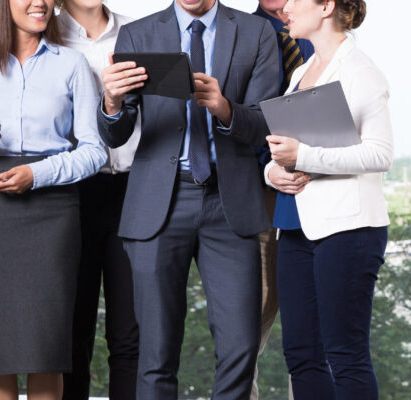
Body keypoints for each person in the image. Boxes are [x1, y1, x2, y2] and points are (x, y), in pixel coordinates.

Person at [97, 0, 279, 398]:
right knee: (155, 353)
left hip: (230, 205)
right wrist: (110, 102)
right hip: (159, 204)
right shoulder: (138, 34)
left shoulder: (256, 32)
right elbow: (116, 133)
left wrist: (225, 108)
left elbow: (266, 123)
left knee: (240, 348)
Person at [0, 0, 107, 398]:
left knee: (46, 347)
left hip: (53, 212)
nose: (40, 2)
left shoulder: (71, 64)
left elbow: (94, 151)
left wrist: (38, 174)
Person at [264, 0, 393, 399]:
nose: (286, 6)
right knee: (301, 354)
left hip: (349, 230)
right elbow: (279, 153)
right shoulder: (302, 72)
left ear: (325, 7)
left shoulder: (362, 72)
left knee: (346, 356)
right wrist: (273, 174)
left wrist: (303, 157)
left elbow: (379, 154)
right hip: (298, 228)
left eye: (296, 0)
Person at [55, 1, 140, 399]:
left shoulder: (139, 33)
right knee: (73, 329)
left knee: (129, 333)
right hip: (72, 194)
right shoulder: (46, 36)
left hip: (134, 191)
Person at [251, 1, 314, 399]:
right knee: (252, 312)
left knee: (308, 315)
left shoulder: (314, 35)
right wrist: (270, 167)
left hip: (311, 187)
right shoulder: (240, 31)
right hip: (254, 192)